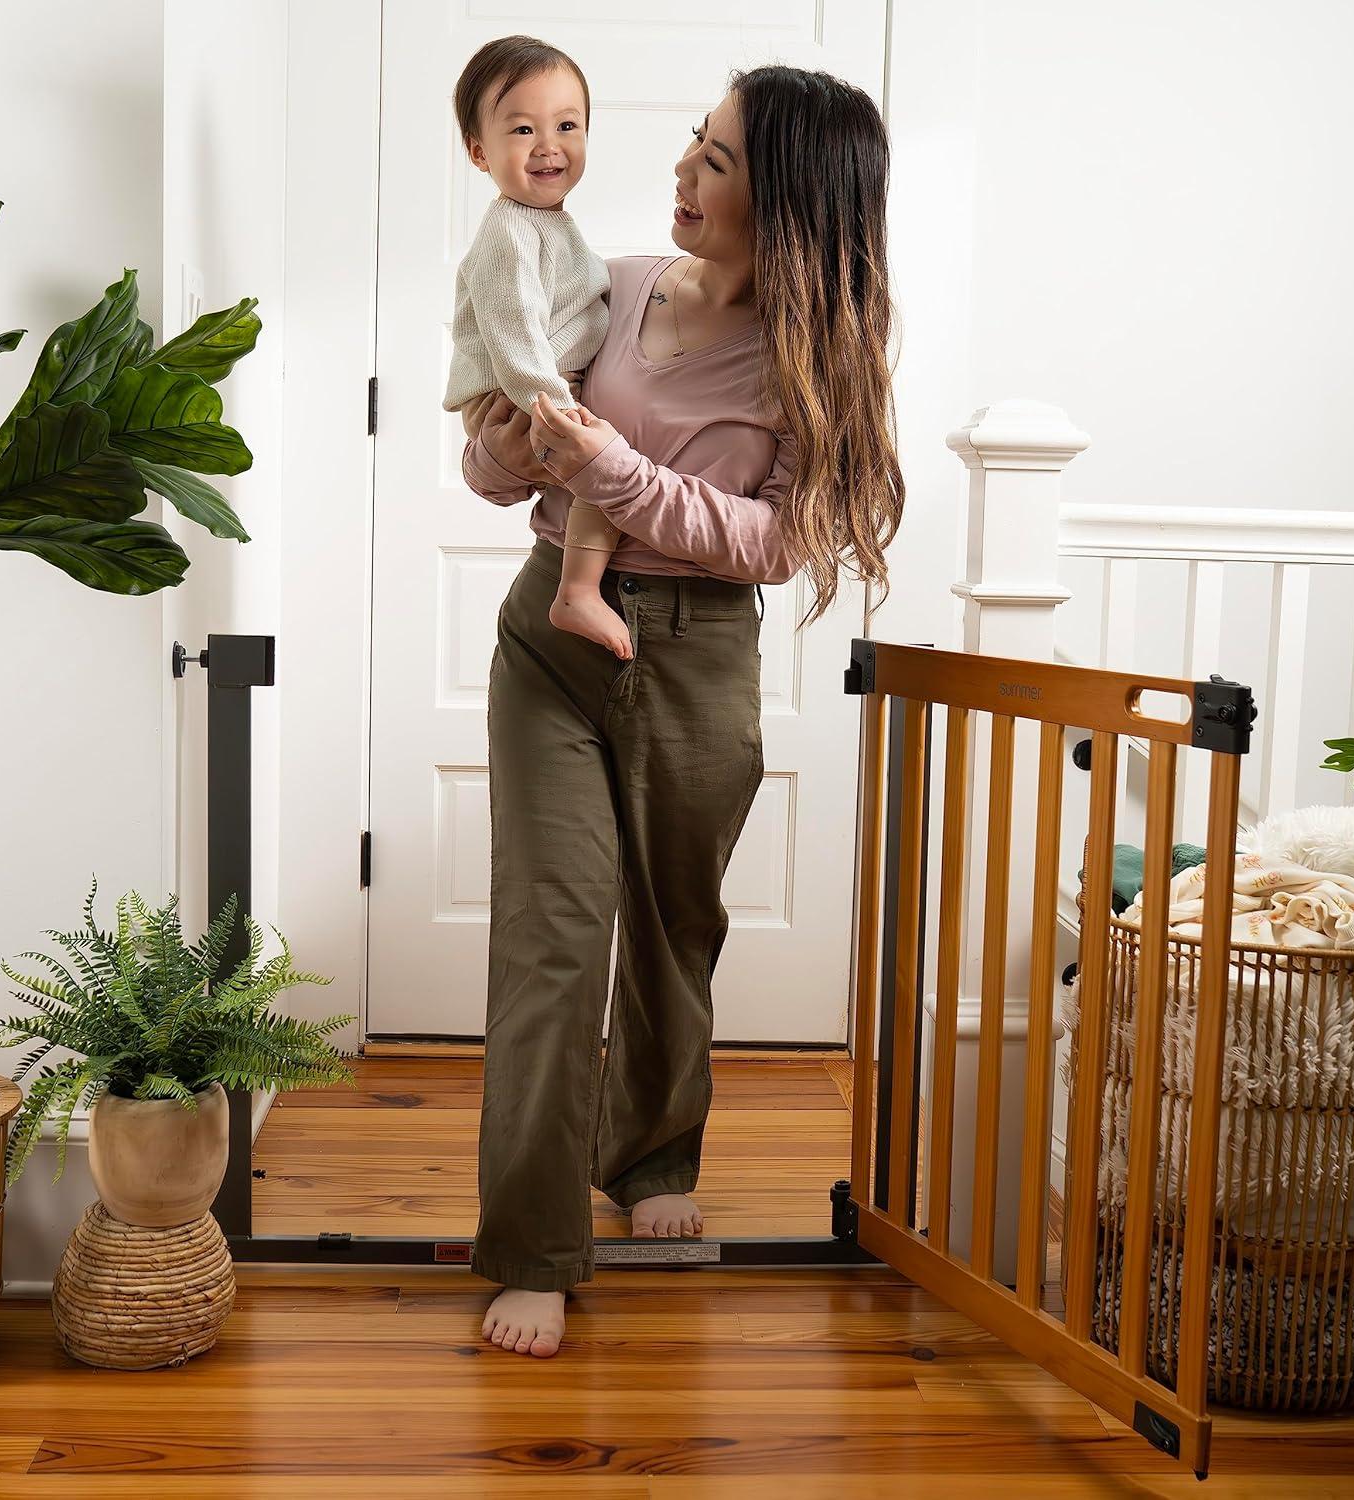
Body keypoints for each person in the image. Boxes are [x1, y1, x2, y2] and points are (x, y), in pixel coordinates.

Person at [462, 62, 905, 1358]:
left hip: (698, 650)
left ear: (791, 212)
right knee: (553, 939)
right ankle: (533, 1244)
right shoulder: (609, 285)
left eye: (715, 164)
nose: (679, 175)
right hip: (552, 628)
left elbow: (776, 547)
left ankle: (650, 1162)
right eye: (695, 148)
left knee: (672, 925)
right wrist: (503, 444)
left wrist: (620, 470)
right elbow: (493, 475)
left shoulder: (819, 358)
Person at [442, 34, 632, 660]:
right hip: (514, 387)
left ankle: (580, 583)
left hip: (533, 380)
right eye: (522, 129)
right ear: (479, 151)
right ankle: (577, 591)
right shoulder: (508, 230)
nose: (550, 146)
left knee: (602, 465)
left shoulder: (547, 219)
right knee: (598, 466)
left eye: (567, 125)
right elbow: (513, 323)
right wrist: (551, 400)